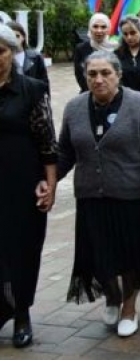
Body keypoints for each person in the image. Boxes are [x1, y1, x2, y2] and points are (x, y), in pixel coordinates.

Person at [57, 51, 140, 338]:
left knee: (129, 258)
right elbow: (65, 153)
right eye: (92, 74)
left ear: (118, 75)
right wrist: (47, 179)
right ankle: (111, 297)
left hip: (130, 196)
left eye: (105, 73)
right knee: (99, 256)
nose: (99, 79)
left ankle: (129, 308)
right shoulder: (74, 108)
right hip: (91, 196)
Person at [0, 26, 58, 348]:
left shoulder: (32, 89)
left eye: (1, 51)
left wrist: (49, 186)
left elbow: (48, 142)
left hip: (22, 182)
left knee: (22, 249)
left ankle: (22, 312)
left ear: (12, 52)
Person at [73, 13, 117, 92]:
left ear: (108, 29)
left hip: (112, 94)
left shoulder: (115, 48)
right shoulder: (81, 48)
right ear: (90, 28)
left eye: (103, 27)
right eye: (95, 26)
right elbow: (79, 75)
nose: (99, 30)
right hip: (88, 93)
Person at [5, 21, 48, 86]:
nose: (14, 40)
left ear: (23, 37)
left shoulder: (36, 57)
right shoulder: (3, 58)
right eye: (10, 37)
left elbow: (44, 83)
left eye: (17, 36)